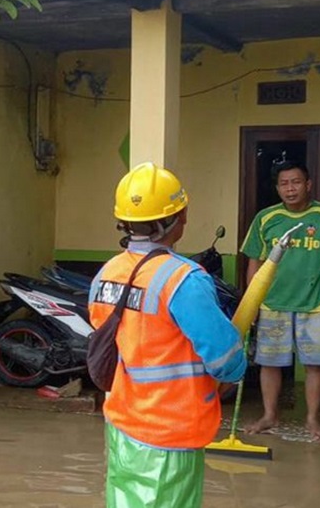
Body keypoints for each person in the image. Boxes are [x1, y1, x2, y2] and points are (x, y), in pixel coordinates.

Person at [89, 162, 246, 508]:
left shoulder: (107, 274)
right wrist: (235, 368)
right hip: (170, 427)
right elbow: (225, 359)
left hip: (122, 423)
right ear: (179, 218)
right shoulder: (184, 280)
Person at [241, 160, 320, 441]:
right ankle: (269, 415)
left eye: (296, 182)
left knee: (315, 363)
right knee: (270, 362)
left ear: (308, 184)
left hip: (315, 302)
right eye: (284, 184)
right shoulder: (266, 218)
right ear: (277, 188)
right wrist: (251, 301)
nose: (290, 189)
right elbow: (254, 261)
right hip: (273, 302)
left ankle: (312, 418)